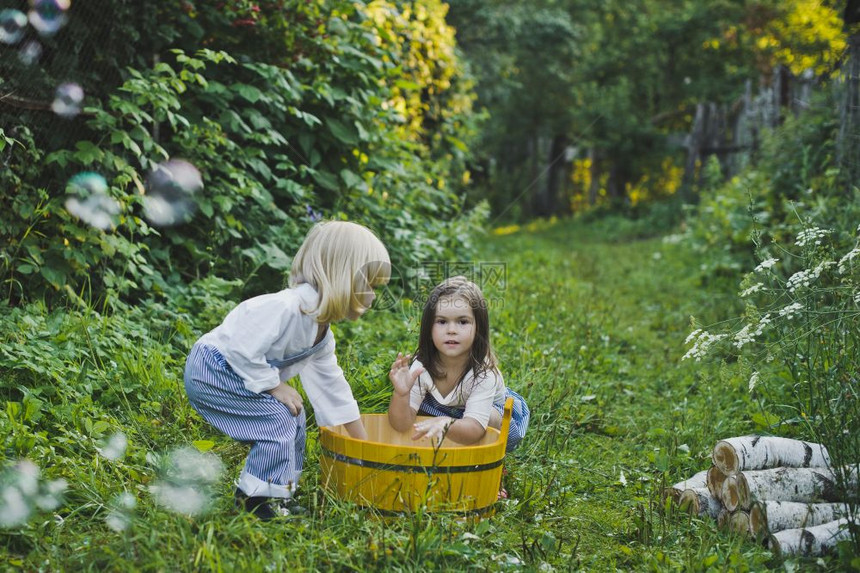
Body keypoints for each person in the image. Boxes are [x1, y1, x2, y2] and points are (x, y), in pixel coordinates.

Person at [184, 221, 389, 520]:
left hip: (239, 375)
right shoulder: (285, 307)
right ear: (342, 276)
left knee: (293, 416)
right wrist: (272, 385)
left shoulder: (321, 334)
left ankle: (279, 493)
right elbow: (241, 349)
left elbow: (333, 390)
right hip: (213, 371)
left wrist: (364, 445)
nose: (372, 297)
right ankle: (255, 502)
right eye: (369, 285)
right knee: (277, 419)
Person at [387, 276, 529, 455]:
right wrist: (401, 394)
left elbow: (475, 429)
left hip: (491, 417)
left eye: (462, 322)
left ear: (478, 328)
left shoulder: (483, 374)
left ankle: (491, 459)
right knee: (421, 415)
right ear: (429, 329)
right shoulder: (421, 367)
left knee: (489, 419)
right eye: (442, 321)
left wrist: (446, 422)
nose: (451, 330)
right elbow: (401, 425)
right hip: (445, 408)